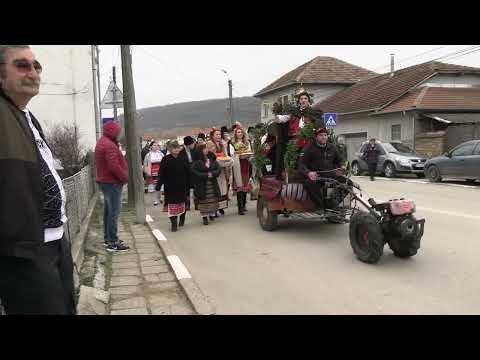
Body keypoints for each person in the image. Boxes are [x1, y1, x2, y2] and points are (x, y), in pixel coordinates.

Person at [0, 45, 75, 314]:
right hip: (23, 251)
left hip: (55, 240)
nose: (33, 72)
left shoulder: (27, 116)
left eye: (36, 66)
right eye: (21, 65)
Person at [95, 121, 130, 252]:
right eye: (118, 132)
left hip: (106, 181)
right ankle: (113, 242)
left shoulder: (103, 141)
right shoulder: (109, 145)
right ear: (113, 132)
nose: (119, 134)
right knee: (114, 213)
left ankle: (108, 238)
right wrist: (124, 177)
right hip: (112, 182)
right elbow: (113, 166)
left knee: (108, 211)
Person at [298, 128, 342, 210]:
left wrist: (340, 169)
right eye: (321, 135)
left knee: (348, 183)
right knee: (309, 183)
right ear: (316, 137)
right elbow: (301, 165)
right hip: (317, 177)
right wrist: (308, 173)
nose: (323, 137)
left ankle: (333, 204)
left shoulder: (332, 148)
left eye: (325, 135)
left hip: (330, 176)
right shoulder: (309, 148)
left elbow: (338, 161)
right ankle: (321, 206)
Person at [155, 140, 190, 232]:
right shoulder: (165, 159)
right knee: (171, 205)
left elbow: (188, 172)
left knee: (182, 203)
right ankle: (173, 223)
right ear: (169, 149)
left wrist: (190, 184)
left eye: (177, 148)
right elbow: (161, 173)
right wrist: (159, 184)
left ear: (179, 148)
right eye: (173, 148)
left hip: (182, 186)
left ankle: (182, 219)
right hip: (170, 187)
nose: (175, 150)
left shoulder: (183, 158)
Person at [191, 144, 221, 225]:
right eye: (204, 149)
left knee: (212, 200)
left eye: (207, 148)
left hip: (212, 183)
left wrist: (212, 174)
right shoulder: (197, 162)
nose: (206, 150)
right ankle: (204, 217)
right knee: (203, 201)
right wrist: (206, 175)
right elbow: (194, 172)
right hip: (201, 184)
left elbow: (218, 169)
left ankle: (211, 214)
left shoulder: (211, 158)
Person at [207, 128, 233, 216]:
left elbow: (225, 155)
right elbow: (211, 156)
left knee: (223, 188)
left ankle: (221, 207)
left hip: (222, 168)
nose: (218, 136)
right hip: (215, 167)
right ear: (212, 136)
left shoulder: (222, 143)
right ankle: (215, 208)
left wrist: (225, 148)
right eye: (216, 134)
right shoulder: (210, 143)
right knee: (216, 188)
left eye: (219, 134)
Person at [231, 126, 252, 215]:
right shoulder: (232, 143)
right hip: (237, 165)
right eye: (238, 132)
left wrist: (246, 154)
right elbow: (231, 154)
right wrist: (237, 154)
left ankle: (244, 205)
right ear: (235, 134)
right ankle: (240, 207)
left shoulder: (247, 142)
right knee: (239, 185)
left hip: (245, 164)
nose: (240, 134)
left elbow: (249, 151)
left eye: (241, 132)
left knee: (244, 185)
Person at [179, 136, 196, 210]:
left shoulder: (194, 151)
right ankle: (187, 204)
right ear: (188, 145)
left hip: (194, 172)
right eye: (192, 144)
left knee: (195, 188)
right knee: (186, 190)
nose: (194, 145)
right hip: (185, 173)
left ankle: (196, 203)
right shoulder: (181, 152)